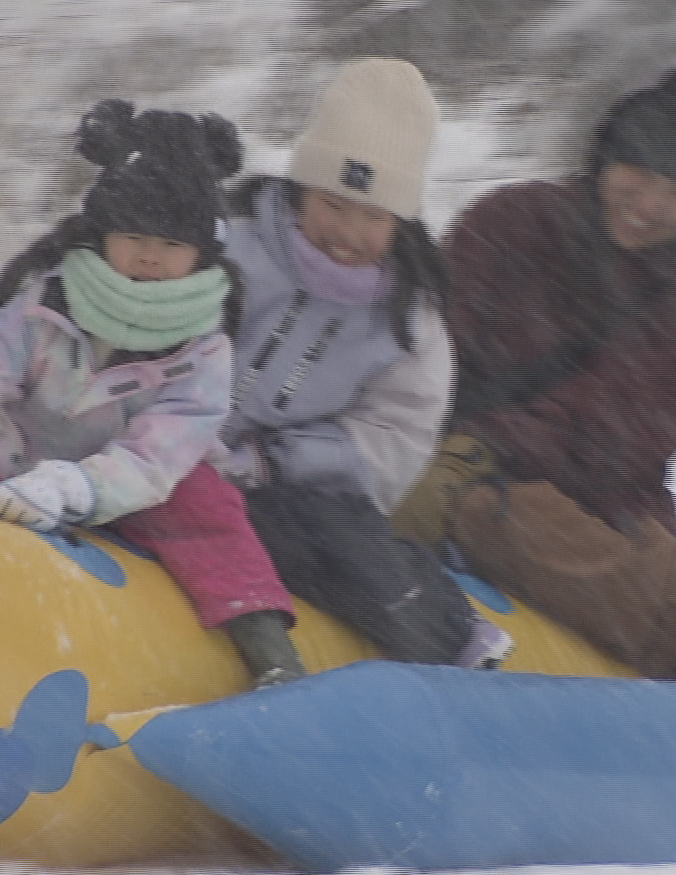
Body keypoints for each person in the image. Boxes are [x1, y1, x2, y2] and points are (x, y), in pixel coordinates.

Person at [392, 53, 676, 684]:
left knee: (502, 519)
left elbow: (604, 430)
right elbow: (429, 347)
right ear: (605, 153)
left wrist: (472, 458)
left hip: (591, 513)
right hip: (423, 457)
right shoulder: (513, 221)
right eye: (637, 170)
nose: (646, 204)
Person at [0, 99, 306, 689]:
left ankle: (270, 657)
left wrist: (70, 489)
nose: (148, 255)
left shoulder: (203, 349)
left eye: (170, 244)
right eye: (134, 236)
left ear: (201, 253)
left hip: (153, 492)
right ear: (103, 236)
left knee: (212, 518)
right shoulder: (41, 308)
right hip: (25, 473)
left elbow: (154, 457)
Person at [216, 58, 512, 669]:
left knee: (333, 534)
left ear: (399, 222)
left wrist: (273, 462)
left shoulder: (405, 317)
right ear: (299, 191)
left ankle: (444, 639)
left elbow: (396, 433)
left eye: (374, 217)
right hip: (159, 452)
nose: (348, 233)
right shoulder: (229, 247)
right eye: (332, 204)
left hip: (281, 492)